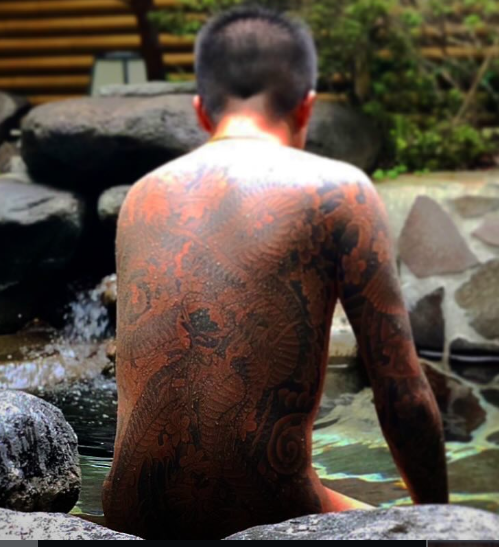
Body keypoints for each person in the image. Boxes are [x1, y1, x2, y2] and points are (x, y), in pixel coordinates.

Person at [102, 5, 448, 540]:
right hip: (267, 512)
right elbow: (402, 395)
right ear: (306, 106)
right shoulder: (338, 190)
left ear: (201, 112)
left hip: (129, 514)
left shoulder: (141, 198)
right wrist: (439, 520)